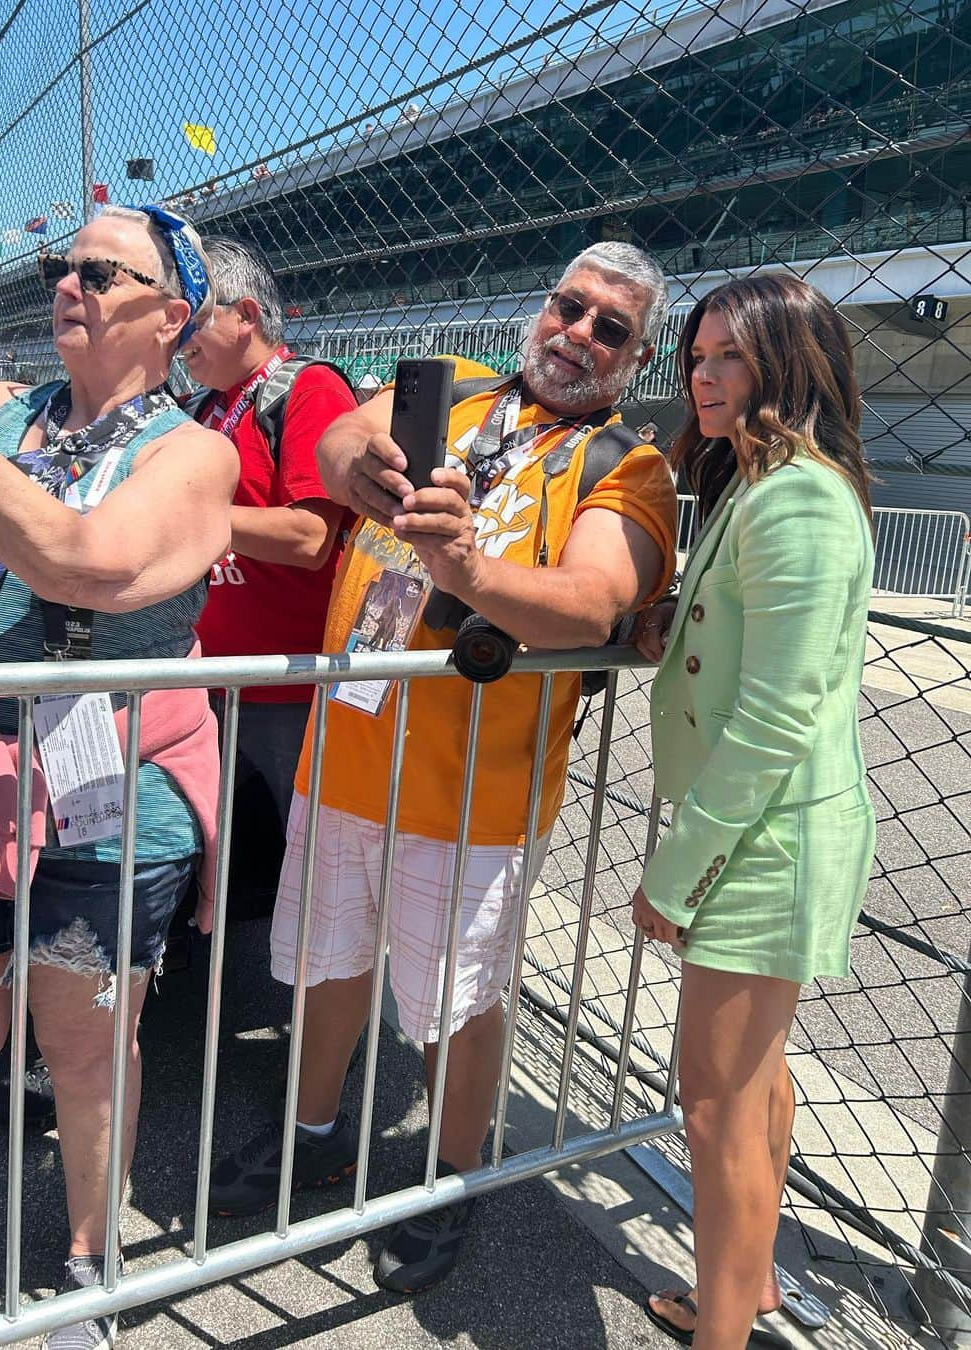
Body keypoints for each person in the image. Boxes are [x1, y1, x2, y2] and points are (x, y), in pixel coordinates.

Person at [208, 240, 679, 1292]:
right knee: (330, 963)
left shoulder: (626, 467)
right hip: (347, 759)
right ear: (540, 307)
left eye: (612, 328)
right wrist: (359, 470)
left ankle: (451, 1175)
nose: (579, 335)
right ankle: (315, 1131)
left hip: (477, 793)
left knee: (458, 999)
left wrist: (463, 565)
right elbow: (342, 442)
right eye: (570, 306)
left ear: (635, 361)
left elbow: (596, 601)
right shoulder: (449, 389)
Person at [0, 203, 237, 1346]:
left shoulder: (192, 451)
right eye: (63, 265)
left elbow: (84, 563)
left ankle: (93, 1271)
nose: (70, 284)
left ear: (170, 315)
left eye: (103, 270)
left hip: (105, 805)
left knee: (87, 1053)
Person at [631, 273, 875, 1350]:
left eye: (731, 355)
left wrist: (673, 876)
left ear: (790, 365)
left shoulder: (800, 498)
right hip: (765, 835)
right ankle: (752, 1286)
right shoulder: (757, 488)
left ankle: (720, 1329)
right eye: (697, 354)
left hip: (762, 845)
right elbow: (744, 656)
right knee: (754, 1085)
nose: (703, 373)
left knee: (715, 1104)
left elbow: (777, 715)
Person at [183, 236, 355, 912]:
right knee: (209, 861)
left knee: (320, 877)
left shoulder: (308, 389)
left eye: (191, 319)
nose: (179, 340)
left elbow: (312, 536)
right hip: (207, 683)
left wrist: (191, 516)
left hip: (292, 693)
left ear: (244, 315)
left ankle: (345, 1015)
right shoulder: (204, 407)